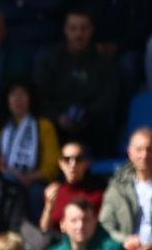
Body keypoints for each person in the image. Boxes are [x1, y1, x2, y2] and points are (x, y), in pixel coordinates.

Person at [33, 10, 119, 154]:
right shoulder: (49, 60)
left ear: (92, 30)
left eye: (84, 28)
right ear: (65, 30)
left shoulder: (105, 63)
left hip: (92, 128)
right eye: (73, 28)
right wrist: (58, 118)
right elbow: (40, 97)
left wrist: (87, 116)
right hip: (56, 126)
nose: (79, 34)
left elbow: (109, 98)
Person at [0, 81, 58, 191]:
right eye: (13, 94)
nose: (18, 99)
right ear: (6, 99)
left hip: (33, 184)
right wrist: (11, 174)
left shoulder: (44, 126)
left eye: (23, 94)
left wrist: (29, 177)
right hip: (1, 180)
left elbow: (52, 166)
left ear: (31, 98)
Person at [40, 141, 105, 234]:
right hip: (56, 244)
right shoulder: (53, 192)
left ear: (86, 163)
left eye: (78, 159)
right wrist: (49, 206)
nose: (72, 164)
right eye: (67, 159)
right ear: (61, 164)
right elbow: (44, 231)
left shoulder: (98, 194)